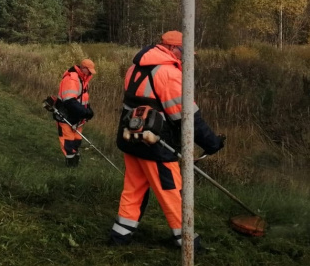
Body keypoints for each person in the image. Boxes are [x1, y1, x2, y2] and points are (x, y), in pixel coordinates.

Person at [109, 30, 224, 248]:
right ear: (172, 48)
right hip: (157, 145)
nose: (186, 57)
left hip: (131, 139)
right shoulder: (169, 73)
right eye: (184, 52)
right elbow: (187, 117)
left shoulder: (134, 68)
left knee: (133, 190)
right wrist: (211, 143)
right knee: (172, 192)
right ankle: (187, 241)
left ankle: (119, 236)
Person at [55, 58, 96, 167]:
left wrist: (88, 110)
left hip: (77, 117)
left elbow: (83, 98)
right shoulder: (72, 79)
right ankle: (70, 168)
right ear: (83, 68)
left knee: (77, 141)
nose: (91, 73)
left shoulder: (83, 79)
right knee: (68, 142)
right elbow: (69, 101)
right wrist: (85, 112)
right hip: (66, 115)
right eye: (89, 70)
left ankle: (75, 165)